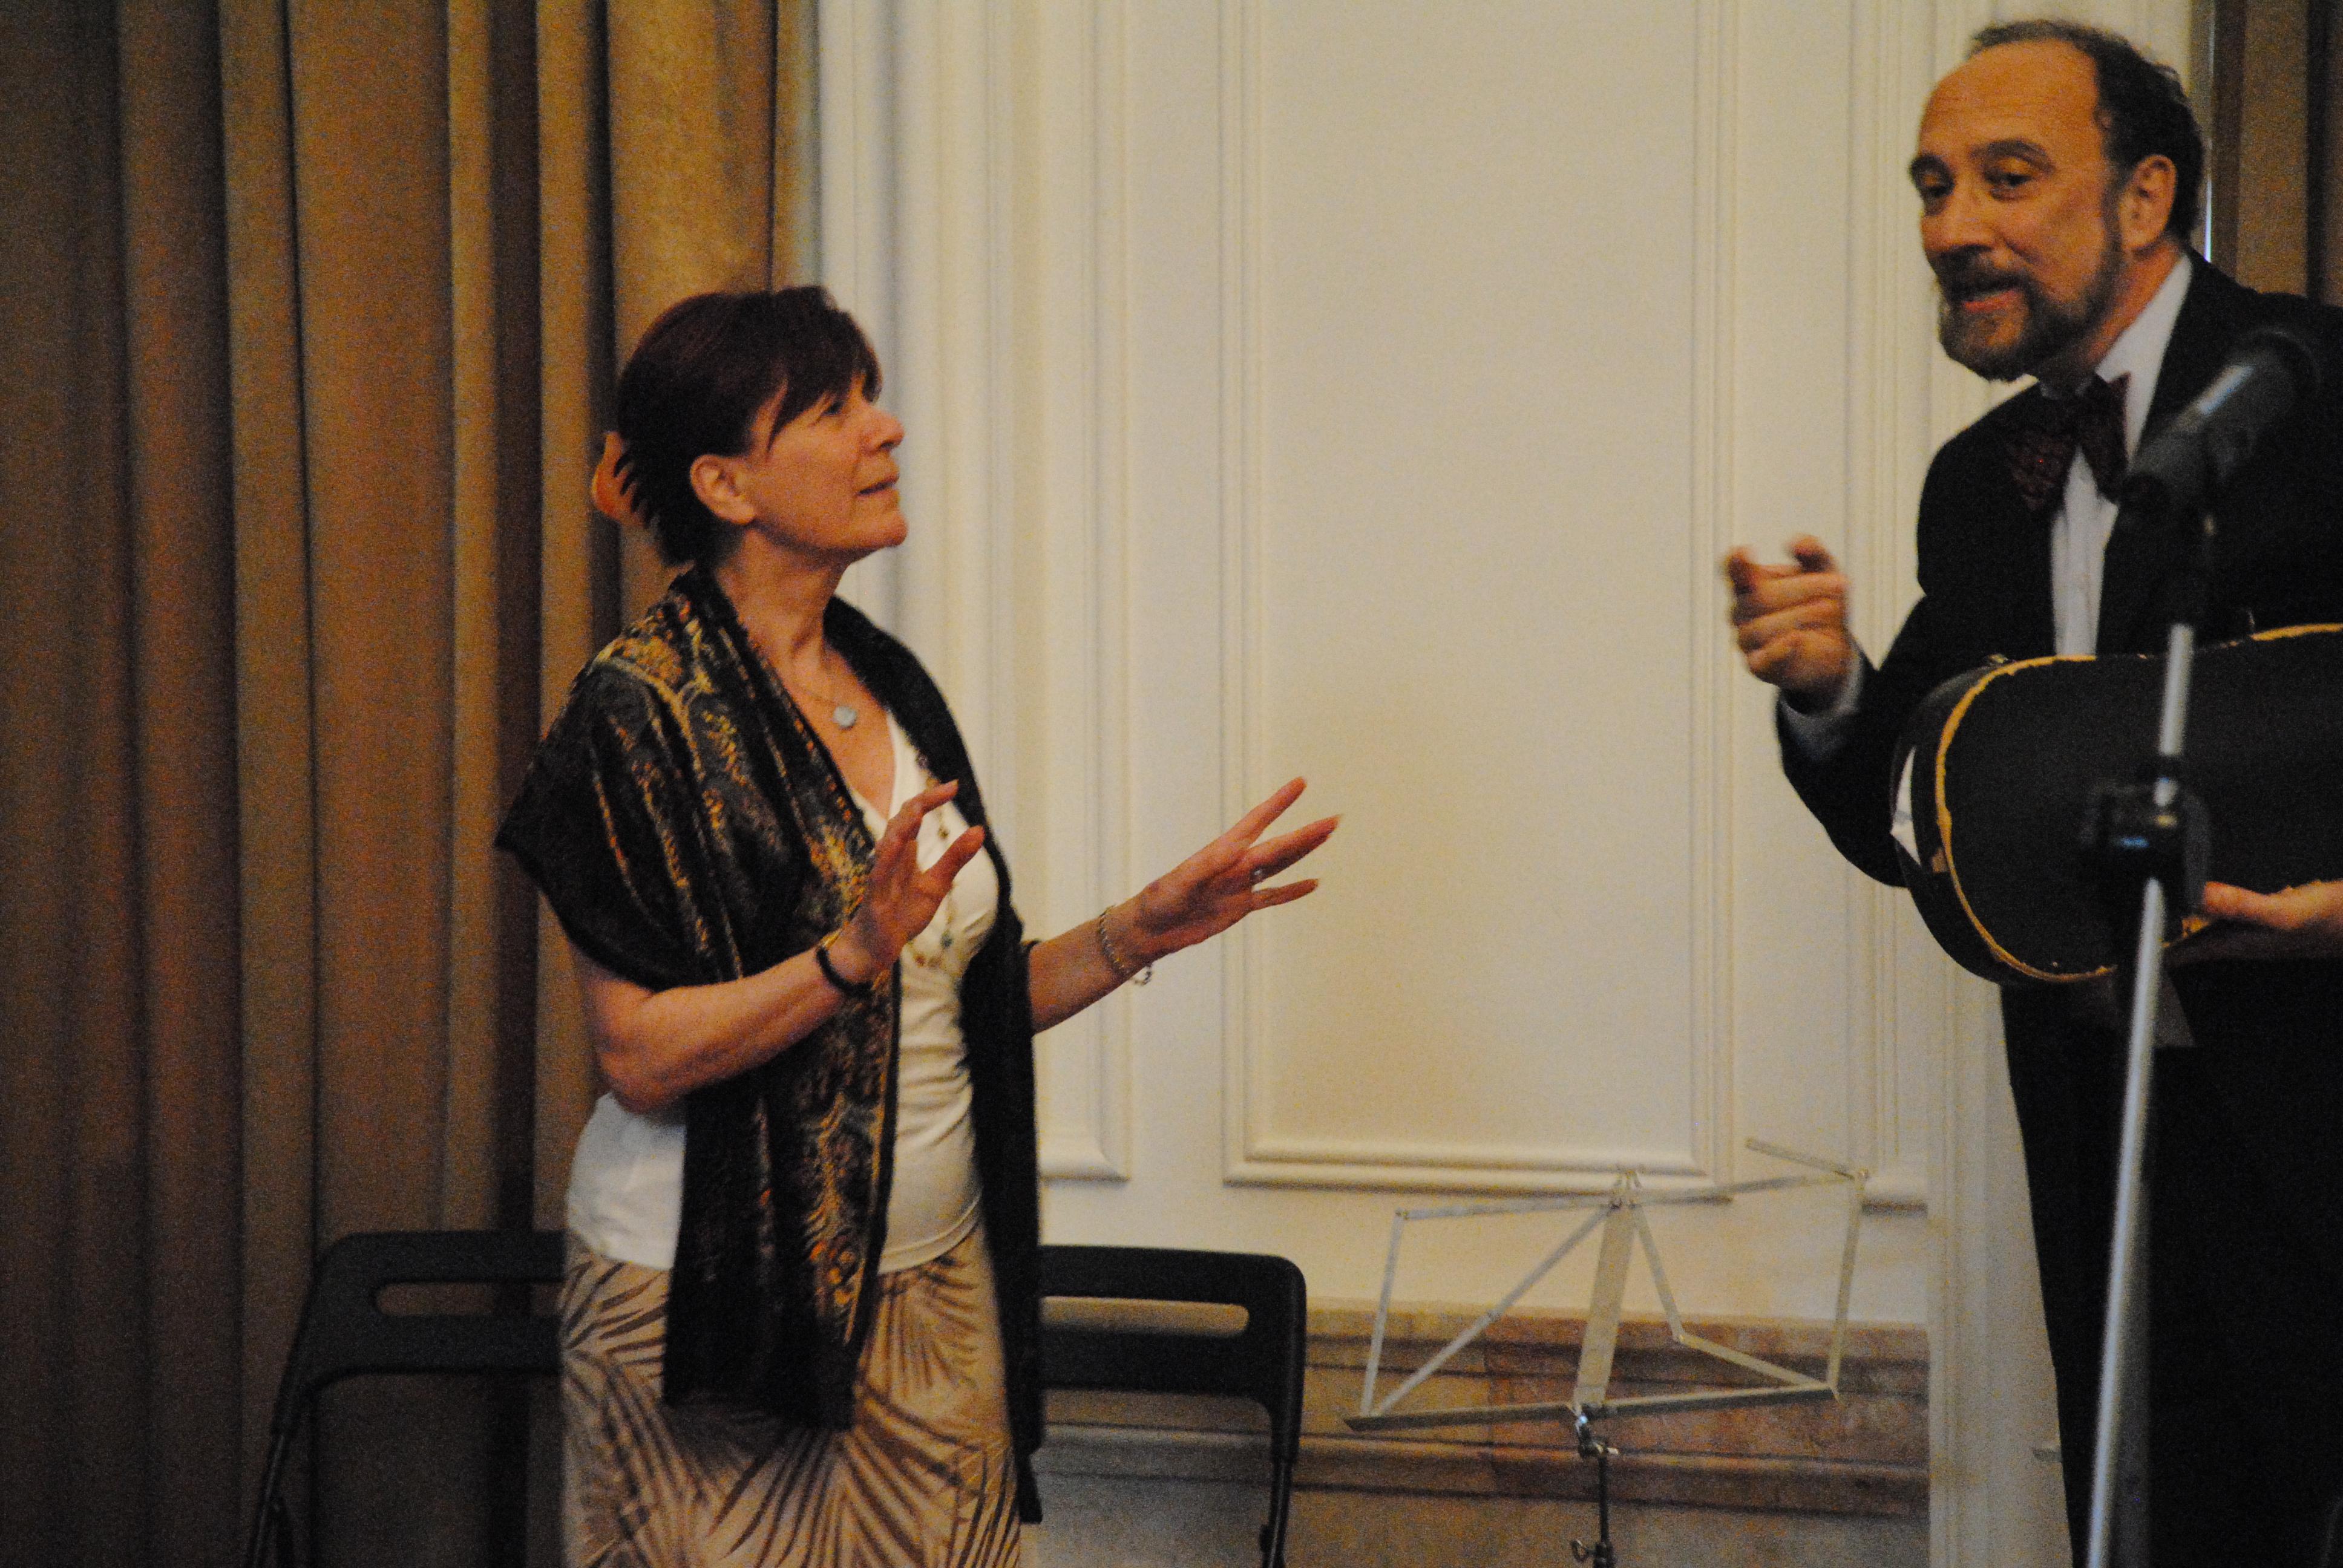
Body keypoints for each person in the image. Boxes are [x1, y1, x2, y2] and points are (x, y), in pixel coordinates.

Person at [496, 286, 1337, 1567]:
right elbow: (641, 1058)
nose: (883, 430)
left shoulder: (886, 679)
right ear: (726, 485)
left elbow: (952, 1001)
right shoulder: (638, 710)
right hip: (712, 1305)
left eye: (870, 400)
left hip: (937, 1292)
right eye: (834, 410)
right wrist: (849, 955)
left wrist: (1137, 932)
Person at [1723, 21, 2343, 1566]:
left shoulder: (2320, 387)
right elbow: (1929, 812)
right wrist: (1830, 692)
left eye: (2007, 177)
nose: (1952, 227)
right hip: (2104, 1134)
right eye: (1931, 186)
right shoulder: (1977, 483)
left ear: (2145, 197)